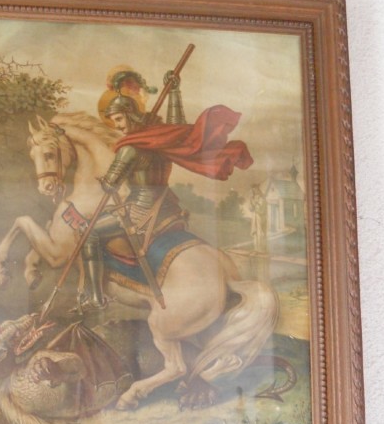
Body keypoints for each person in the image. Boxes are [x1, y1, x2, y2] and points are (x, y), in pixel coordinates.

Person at [79, 84, 254, 311]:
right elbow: (177, 129)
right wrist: (174, 93)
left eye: (119, 119)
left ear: (130, 115)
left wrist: (104, 181)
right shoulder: (158, 139)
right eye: (114, 122)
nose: (118, 126)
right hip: (167, 208)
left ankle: (94, 297)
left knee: (88, 232)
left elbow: (111, 184)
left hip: (140, 212)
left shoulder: (129, 149)